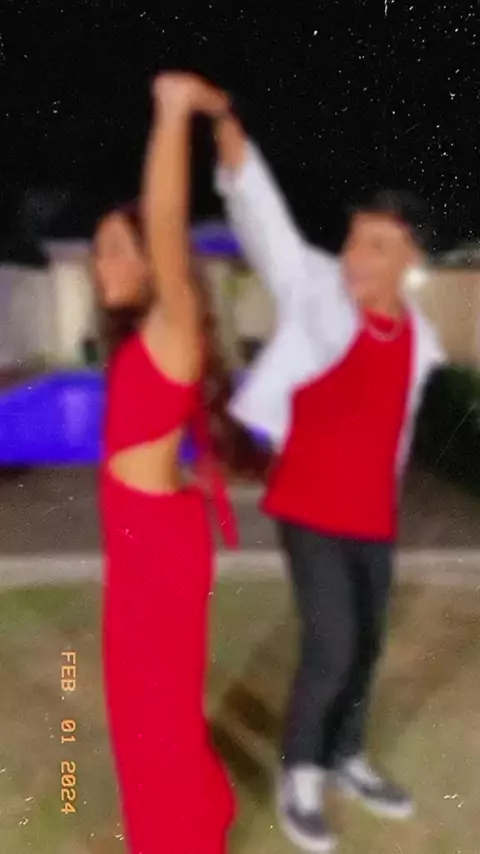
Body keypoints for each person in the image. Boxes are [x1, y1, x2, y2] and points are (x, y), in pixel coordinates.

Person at [211, 90, 446, 851]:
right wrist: (224, 123)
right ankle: (301, 774)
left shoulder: (420, 338)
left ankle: (346, 756)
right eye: (353, 240)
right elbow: (263, 217)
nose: (355, 257)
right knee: (334, 642)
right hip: (310, 507)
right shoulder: (315, 293)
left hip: (373, 514)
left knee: (368, 643)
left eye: (376, 245)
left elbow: (392, 431)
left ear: (410, 259)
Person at [94, 73, 239, 854]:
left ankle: (183, 839)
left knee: (158, 722)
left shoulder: (173, 325)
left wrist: (173, 113)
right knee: (145, 715)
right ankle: (186, 823)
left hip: (155, 553)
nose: (101, 264)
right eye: (97, 251)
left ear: (155, 260)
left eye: (117, 249)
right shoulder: (145, 340)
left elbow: (166, 219)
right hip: (144, 547)